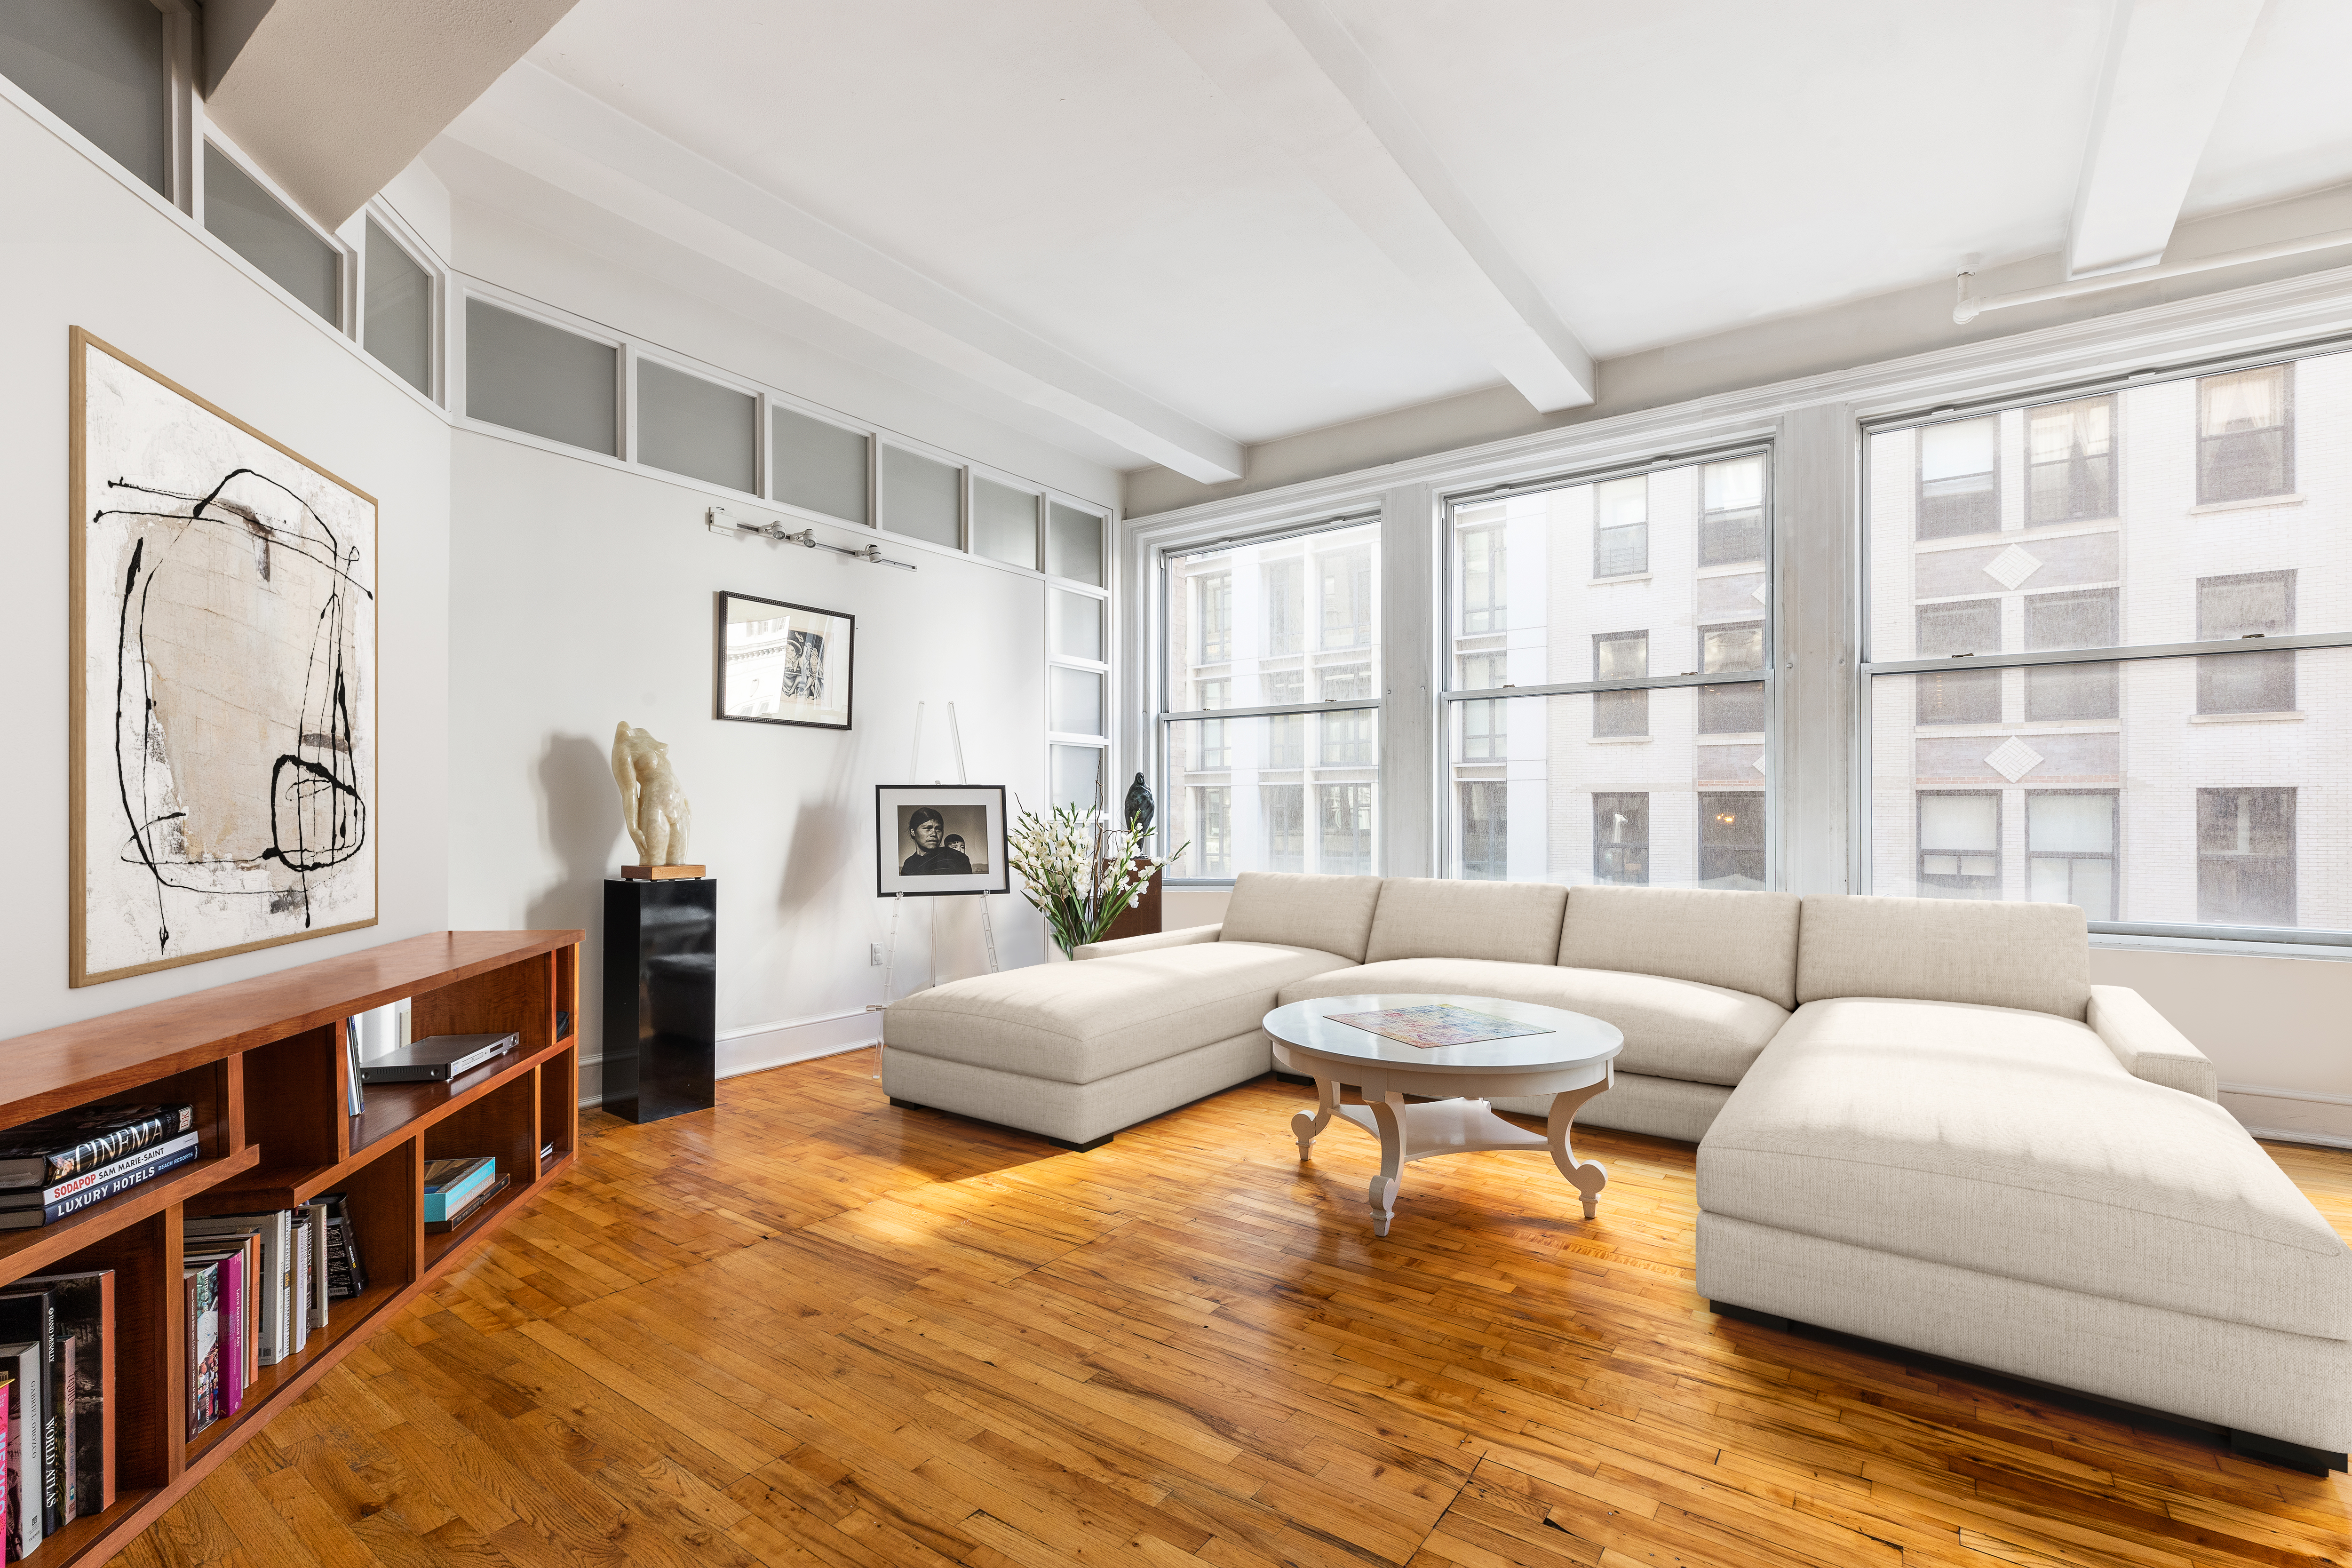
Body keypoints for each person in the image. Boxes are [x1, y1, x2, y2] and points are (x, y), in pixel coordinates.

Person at [900, 807, 973, 876]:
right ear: (913, 832)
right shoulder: (908, 865)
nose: (934, 834)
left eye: (939, 829)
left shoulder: (957, 858)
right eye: (928, 828)